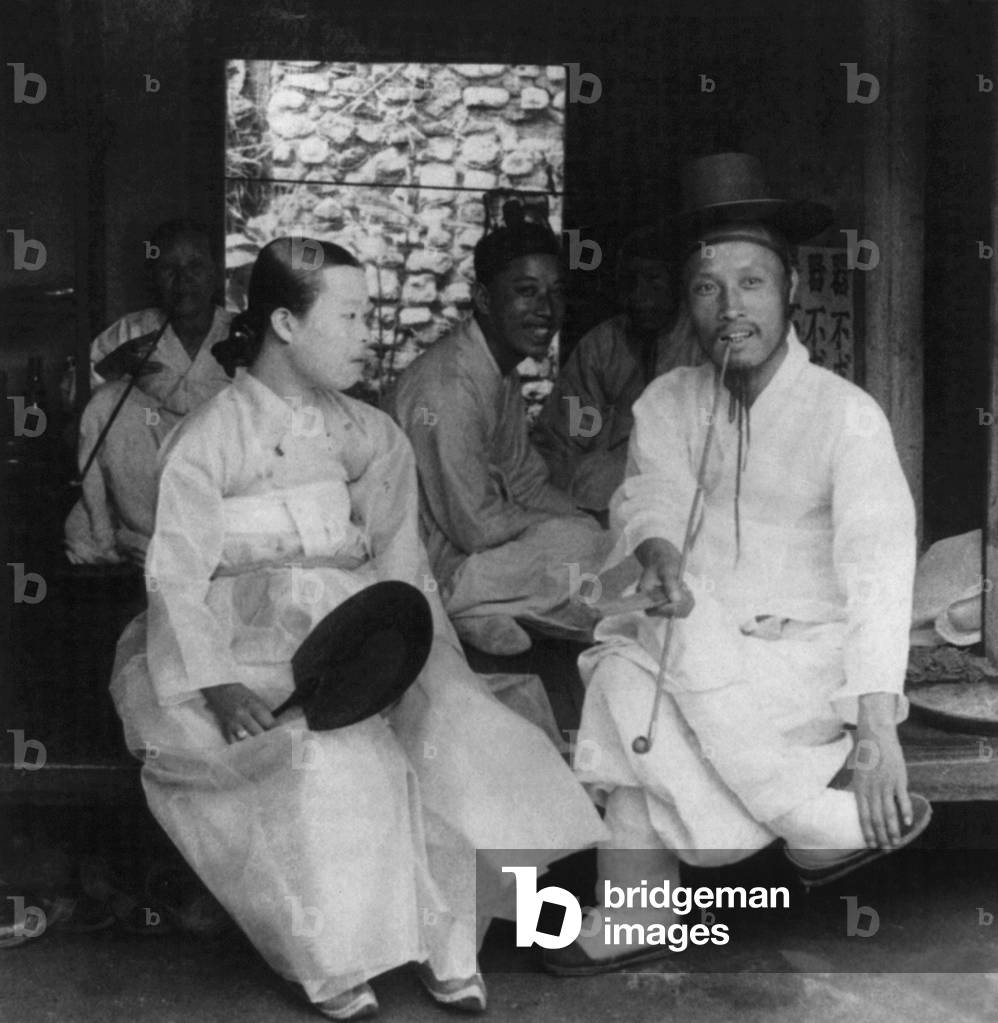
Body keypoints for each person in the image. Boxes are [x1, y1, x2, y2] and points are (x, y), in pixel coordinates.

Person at [109, 237, 606, 1018]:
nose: (366, 333)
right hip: (250, 650)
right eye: (348, 316)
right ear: (284, 323)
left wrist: (419, 660)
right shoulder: (210, 437)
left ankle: (449, 940)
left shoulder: (370, 436)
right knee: (330, 762)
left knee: (453, 732)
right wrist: (220, 678)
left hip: (362, 632)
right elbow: (174, 572)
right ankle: (335, 955)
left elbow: (403, 568)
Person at [544, 153, 932, 975]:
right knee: (625, 665)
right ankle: (799, 818)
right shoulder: (668, 401)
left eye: (751, 283)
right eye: (707, 288)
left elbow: (878, 569)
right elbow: (650, 497)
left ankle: (639, 907)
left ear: (791, 289)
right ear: (688, 301)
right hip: (692, 649)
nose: (730, 309)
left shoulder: (846, 416)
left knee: (628, 674)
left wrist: (876, 728)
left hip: (800, 668)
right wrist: (658, 555)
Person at [390, 212, 613, 656]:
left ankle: (491, 609)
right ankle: (463, 607)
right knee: (582, 550)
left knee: (599, 540)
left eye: (555, 294)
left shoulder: (499, 372)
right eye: (526, 292)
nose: (546, 311)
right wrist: (566, 529)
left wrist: (585, 521)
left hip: (480, 549)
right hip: (431, 562)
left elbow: (526, 479)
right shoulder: (449, 386)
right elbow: (475, 525)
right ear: (485, 300)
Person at [65, 219, 232, 565]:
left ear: (215, 274)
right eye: (169, 268)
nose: (182, 279)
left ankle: (182, 545)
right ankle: (145, 539)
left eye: (195, 266)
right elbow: (71, 399)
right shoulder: (131, 330)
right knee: (108, 399)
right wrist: (112, 368)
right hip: (143, 486)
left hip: (222, 483)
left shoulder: (243, 332)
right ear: (154, 277)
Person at [532, 227, 700, 513]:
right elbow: (559, 443)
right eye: (630, 281)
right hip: (596, 509)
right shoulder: (601, 347)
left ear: (679, 282)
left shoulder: (703, 348)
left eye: (653, 280)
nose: (639, 295)